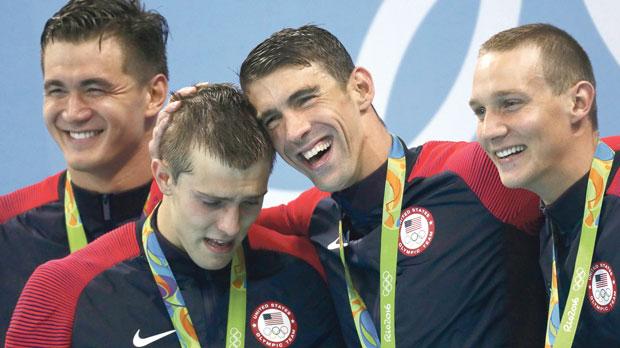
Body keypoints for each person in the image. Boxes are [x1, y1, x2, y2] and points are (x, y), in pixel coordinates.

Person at [236, 25, 547, 347]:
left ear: (360, 88)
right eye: (272, 120)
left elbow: (589, 162)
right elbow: (204, 224)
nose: (293, 131)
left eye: (306, 99)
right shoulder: (312, 216)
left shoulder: (474, 175)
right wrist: (190, 130)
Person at [6, 84, 344, 348]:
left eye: (249, 203)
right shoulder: (63, 290)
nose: (229, 226)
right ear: (164, 178)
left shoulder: (302, 271)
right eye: (210, 202)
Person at [0, 0, 168, 341]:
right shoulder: (6, 233)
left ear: (154, 94)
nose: (73, 112)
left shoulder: (212, 226)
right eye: (56, 90)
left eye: (95, 89)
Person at [470, 23, 620, 347]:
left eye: (510, 103)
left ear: (578, 102)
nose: (489, 130)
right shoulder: (547, 227)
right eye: (480, 111)